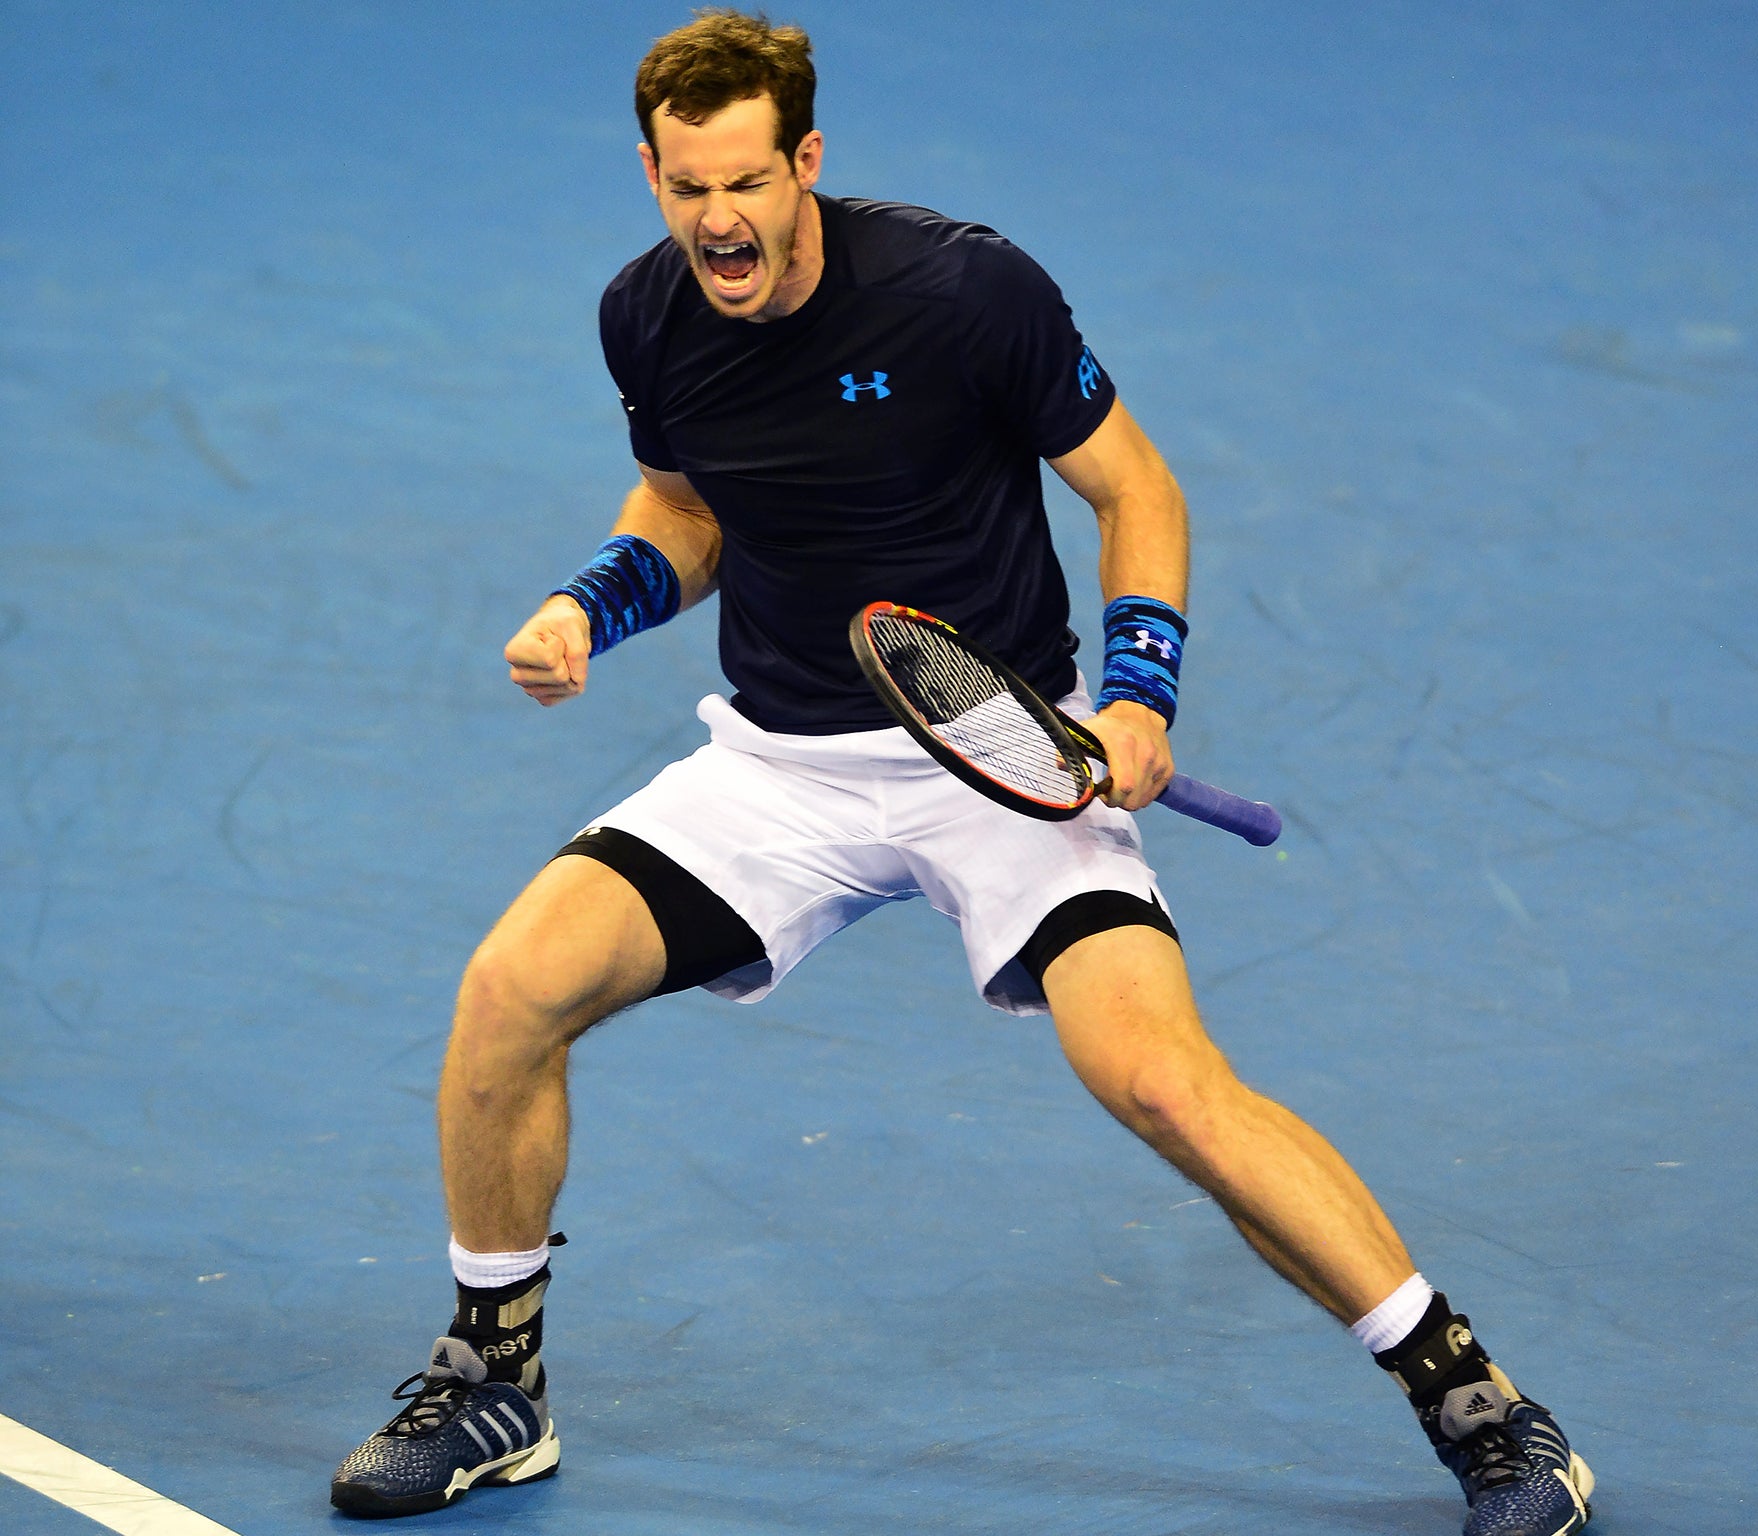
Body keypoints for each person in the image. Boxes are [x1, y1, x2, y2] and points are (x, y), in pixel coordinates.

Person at [329, 12, 1593, 1534]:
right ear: (650, 174)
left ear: (807, 161)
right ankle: (494, 1381)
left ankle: (1487, 1413)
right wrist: (585, 609)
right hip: (782, 770)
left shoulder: (961, 289)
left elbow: (1137, 487)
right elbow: (687, 512)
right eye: (683, 189)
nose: (717, 221)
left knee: (1163, 1085)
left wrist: (1137, 695)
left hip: (1004, 753)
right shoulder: (645, 318)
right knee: (510, 988)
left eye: (745, 182)